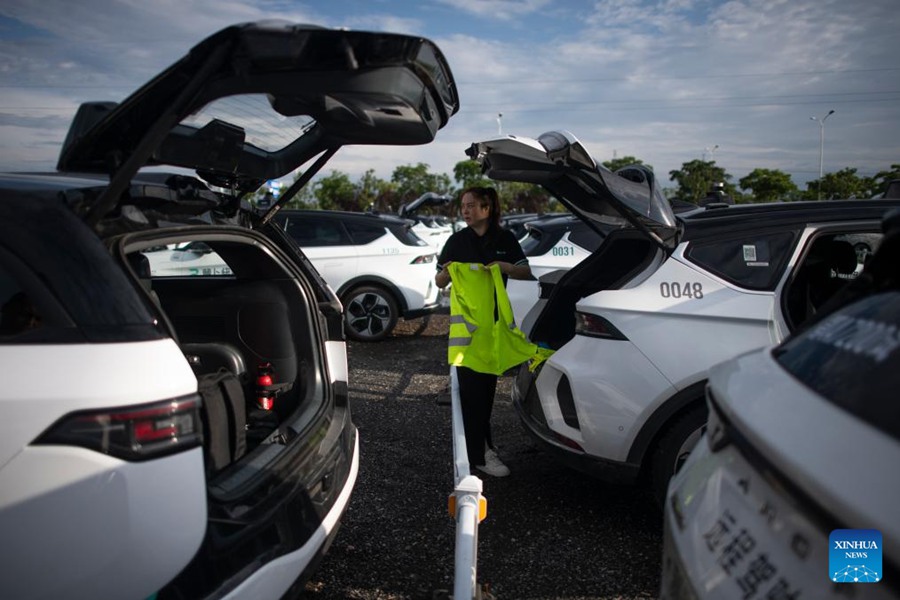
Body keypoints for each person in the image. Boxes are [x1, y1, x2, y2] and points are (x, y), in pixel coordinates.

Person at [435, 186, 532, 477]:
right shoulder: (456, 241)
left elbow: (525, 271)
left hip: (494, 329)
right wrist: (448, 272)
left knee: (485, 394)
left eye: (471, 205)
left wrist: (504, 266)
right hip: (467, 331)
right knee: (470, 394)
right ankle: (478, 453)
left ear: (487, 208)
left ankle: (479, 449)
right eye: (463, 206)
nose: (465, 211)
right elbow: (439, 281)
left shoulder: (505, 239)